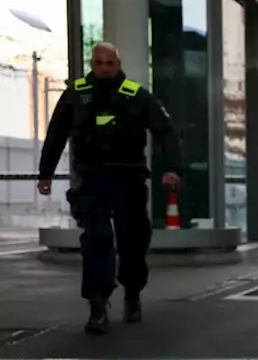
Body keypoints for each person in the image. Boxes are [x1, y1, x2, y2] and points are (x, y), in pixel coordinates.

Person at [38, 42, 183, 335]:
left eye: (110, 63)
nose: (104, 69)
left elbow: (165, 132)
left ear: (118, 63)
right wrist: (46, 173)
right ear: (93, 63)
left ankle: (132, 294)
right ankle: (97, 304)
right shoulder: (77, 94)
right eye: (99, 63)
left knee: (132, 242)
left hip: (128, 180)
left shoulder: (136, 95)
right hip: (91, 180)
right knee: (97, 238)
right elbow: (56, 133)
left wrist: (172, 167)